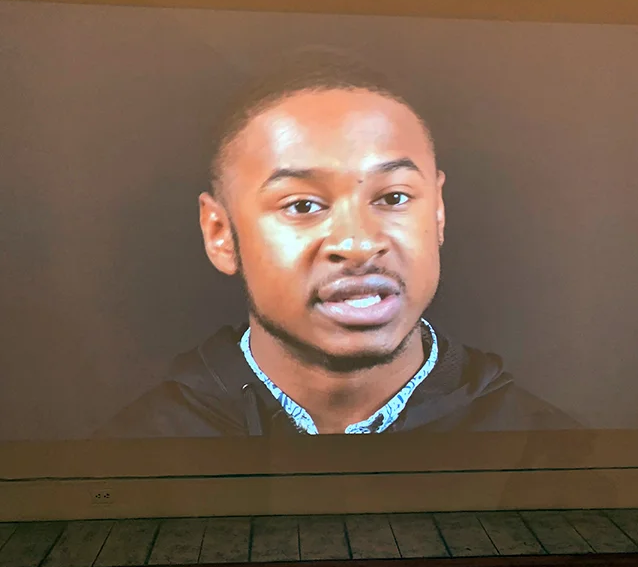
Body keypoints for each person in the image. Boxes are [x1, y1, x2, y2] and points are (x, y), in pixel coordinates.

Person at [97, 48, 576, 437]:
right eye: (303, 205)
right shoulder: (129, 459)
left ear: (438, 212)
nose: (359, 244)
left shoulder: (557, 459)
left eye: (393, 197)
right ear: (220, 234)